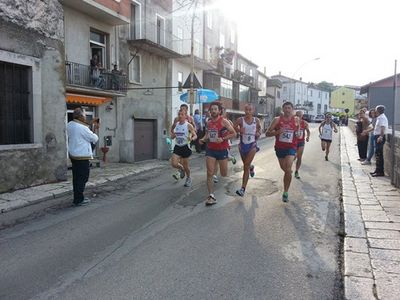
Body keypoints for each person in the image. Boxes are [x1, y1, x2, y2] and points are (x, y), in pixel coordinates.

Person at [199, 102, 236, 206]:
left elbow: (234, 133)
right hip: (210, 150)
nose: (213, 111)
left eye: (215, 109)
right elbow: (207, 134)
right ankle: (211, 195)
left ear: (219, 111)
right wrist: (202, 139)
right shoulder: (209, 122)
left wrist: (223, 138)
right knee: (209, 173)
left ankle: (228, 158)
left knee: (224, 174)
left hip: (222, 150)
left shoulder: (224, 122)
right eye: (212, 109)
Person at [266, 101, 300, 202]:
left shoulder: (296, 119)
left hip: (291, 147)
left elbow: (297, 130)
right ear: (283, 109)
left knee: (288, 169)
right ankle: (288, 174)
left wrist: (297, 134)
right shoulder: (277, 120)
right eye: (285, 108)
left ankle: (285, 191)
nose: (287, 110)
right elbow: (267, 133)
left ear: (292, 109)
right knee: (285, 169)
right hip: (280, 148)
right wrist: (277, 132)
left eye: (289, 108)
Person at [67, 108, 99, 206]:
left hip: (73, 155)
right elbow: (94, 138)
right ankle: (79, 200)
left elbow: (81, 135)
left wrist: (89, 126)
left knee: (76, 178)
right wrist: (93, 129)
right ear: (80, 116)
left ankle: (77, 197)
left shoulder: (70, 124)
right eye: (84, 115)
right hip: (82, 156)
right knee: (83, 178)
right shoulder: (82, 127)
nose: (85, 117)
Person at [234, 104, 261, 196]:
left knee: (245, 166)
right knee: (247, 164)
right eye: (246, 109)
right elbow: (233, 128)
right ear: (244, 110)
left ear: (253, 111)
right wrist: (239, 130)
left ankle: (242, 189)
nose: (248, 111)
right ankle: (251, 167)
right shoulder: (240, 120)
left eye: (250, 110)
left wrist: (258, 133)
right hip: (242, 145)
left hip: (252, 145)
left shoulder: (256, 120)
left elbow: (259, 129)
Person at [170, 110, 197, 186]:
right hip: (177, 146)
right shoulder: (176, 124)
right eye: (179, 114)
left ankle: (188, 178)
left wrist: (191, 139)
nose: (180, 116)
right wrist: (172, 136)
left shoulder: (188, 125)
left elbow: (195, 135)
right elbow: (174, 134)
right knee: (174, 163)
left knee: (186, 166)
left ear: (185, 116)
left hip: (185, 147)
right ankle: (181, 169)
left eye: (182, 114)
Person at [369, 105, 388, 177]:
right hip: (377, 136)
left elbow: (383, 127)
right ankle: (377, 170)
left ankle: (380, 172)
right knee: (377, 154)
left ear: (378, 110)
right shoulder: (380, 117)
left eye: (376, 110)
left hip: (379, 137)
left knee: (379, 155)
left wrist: (381, 136)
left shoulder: (382, 117)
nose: (375, 111)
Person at [294, 110, 310, 179]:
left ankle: (296, 171)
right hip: (293, 142)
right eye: (297, 115)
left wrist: (308, 137)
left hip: (301, 142)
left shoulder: (305, 123)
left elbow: (308, 131)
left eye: (300, 116)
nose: (298, 117)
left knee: (299, 157)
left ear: (302, 116)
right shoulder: (293, 122)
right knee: (293, 156)